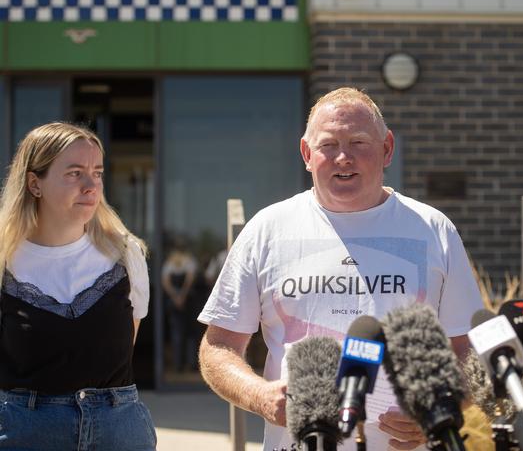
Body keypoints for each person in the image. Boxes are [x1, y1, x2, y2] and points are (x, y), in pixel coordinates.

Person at [198, 88, 484, 450]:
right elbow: (218, 347)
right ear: (306, 153)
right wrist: (260, 396)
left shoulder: (433, 229)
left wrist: (444, 405)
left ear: (387, 148)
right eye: (328, 145)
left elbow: (469, 348)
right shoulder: (267, 229)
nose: (343, 157)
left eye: (359, 142)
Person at [0, 122, 156, 450]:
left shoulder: (126, 255)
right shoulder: (4, 263)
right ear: (34, 184)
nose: (91, 185)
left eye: (97, 173)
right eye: (74, 173)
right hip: (24, 436)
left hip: (120, 435)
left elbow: (123, 354)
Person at [162, 237, 198, 372]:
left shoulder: (169, 263)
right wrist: (182, 295)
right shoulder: (190, 261)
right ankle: (191, 364)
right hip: (188, 301)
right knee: (190, 333)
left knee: (177, 332)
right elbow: (190, 279)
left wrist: (174, 296)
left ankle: (178, 365)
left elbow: (165, 282)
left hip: (175, 301)